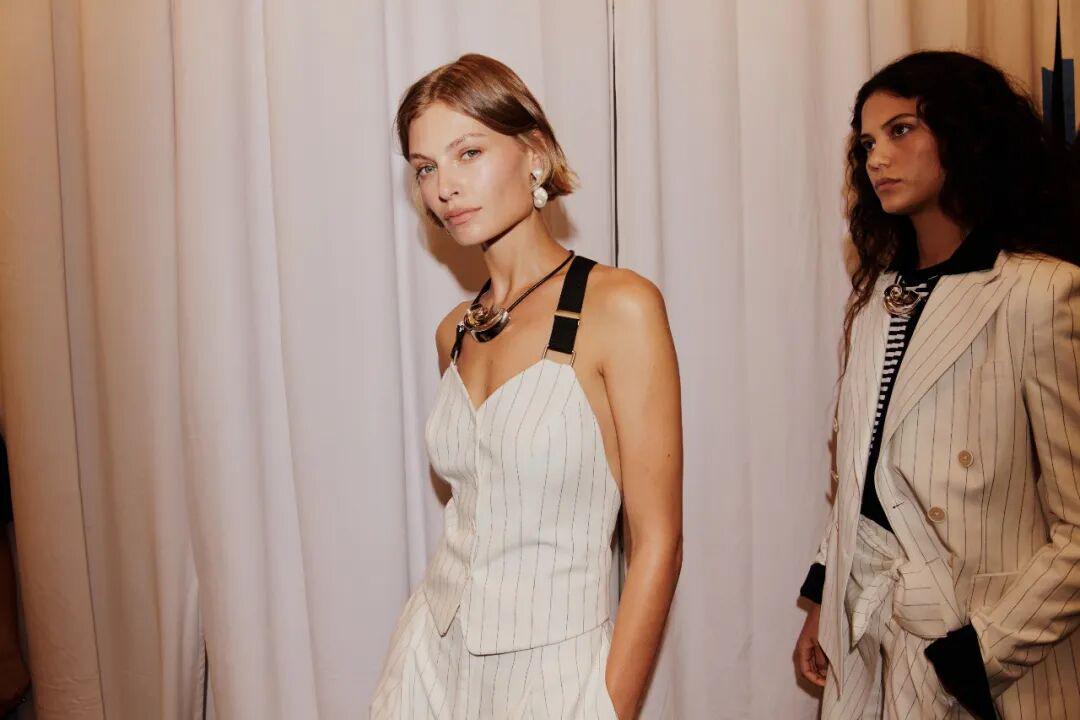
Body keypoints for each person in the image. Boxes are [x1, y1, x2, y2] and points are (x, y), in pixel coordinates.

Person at [370, 54, 683, 720]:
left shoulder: (620, 306)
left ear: (535, 154)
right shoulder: (454, 332)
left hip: (554, 675)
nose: (444, 187)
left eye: (468, 153)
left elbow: (657, 539)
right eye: (425, 168)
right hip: (429, 663)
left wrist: (609, 708)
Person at [795, 50, 1080, 719]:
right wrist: (825, 602)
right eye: (867, 142)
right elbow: (862, 475)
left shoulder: (1040, 292)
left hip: (988, 660)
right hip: (868, 638)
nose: (877, 158)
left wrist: (980, 653)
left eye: (901, 130)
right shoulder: (878, 299)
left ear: (965, 134)